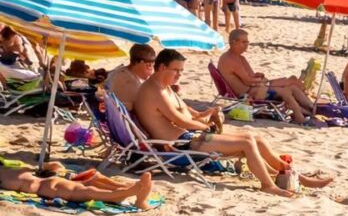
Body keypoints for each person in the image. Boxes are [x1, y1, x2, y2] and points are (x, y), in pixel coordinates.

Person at [135, 49, 332, 196]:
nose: (179, 75)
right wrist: (207, 126)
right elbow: (180, 120)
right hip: (179, 145)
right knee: (246, 143)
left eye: (181, 71)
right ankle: (267, 185)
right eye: (176, 70)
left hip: (189, 137)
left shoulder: (166, 88)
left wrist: (210, 113)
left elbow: (191, 114)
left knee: (254, 137)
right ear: (161, 67)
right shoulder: (154, 90)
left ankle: (292, 174)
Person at [218, 29, 315, 124]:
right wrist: (262, 80)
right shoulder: (231, 59)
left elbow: (251, 76)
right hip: (249, 93)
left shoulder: (239, 58)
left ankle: (312, 107)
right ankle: (301, 118)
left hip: (255, 88)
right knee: (286, 90)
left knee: (292, 85)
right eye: (244, 42)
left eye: (247, 42)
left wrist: (259, 77)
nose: (247, 45)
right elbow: (249, 81)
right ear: (233, 42)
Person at [0, 162, 153, 210]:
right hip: (47, 187)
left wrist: (46, 168)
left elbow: (51, 167)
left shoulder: (10, 171)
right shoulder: (10, 173)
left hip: (48, 184)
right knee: (88, 191)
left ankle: (125, 193)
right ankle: (128, 193)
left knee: (88, 190)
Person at [104, 43, 156, 111]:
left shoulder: (122, 72)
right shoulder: (128, 81)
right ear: (138, 62)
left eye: (153, 64)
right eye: (149, 65)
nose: (152, 69)